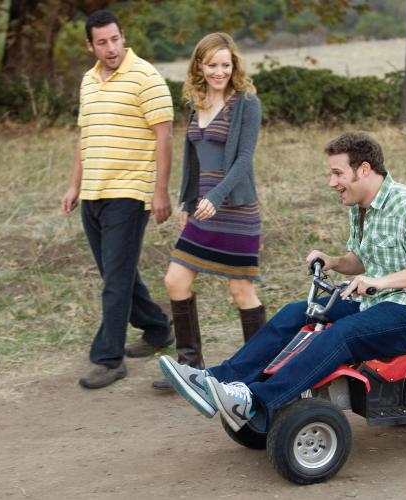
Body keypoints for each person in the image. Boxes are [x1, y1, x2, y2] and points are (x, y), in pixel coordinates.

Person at [159, 132, 406, 431]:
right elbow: (363, 261)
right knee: (297, 312)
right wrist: (335, 262)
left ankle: (257, 400)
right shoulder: (360, 207)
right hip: (376, 303)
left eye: (338, 173)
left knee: (342, 334)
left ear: (364, 169)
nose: (332, 182)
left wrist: (379, 282)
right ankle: (216, 380)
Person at [135, 33, 267, 391]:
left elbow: (243, 160)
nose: (219, 71)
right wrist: (189, 202)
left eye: (225, 64)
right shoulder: (196, 103)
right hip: (204, 209)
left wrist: (217, 197)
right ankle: (190, 367)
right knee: (175, 280)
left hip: (236, 210)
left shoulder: (247, 104)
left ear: (234, 65)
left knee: (241, 291)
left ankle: (259, 370)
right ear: (200, 66)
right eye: (212, 64)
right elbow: (192, 160)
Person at [60, 10, 174, 389]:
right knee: (116, 273)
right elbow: (84, 138)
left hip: (129, 192)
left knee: (115, 279)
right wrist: (74, 186)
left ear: (123, 36)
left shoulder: (146, 78)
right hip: (93, 191)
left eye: (115, 39)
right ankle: (158, 329)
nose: (111, 48)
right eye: (102, 42)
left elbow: (164, 137)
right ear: (90, 45)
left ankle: (108, 359)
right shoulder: (88, 82)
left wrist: (160, 191)